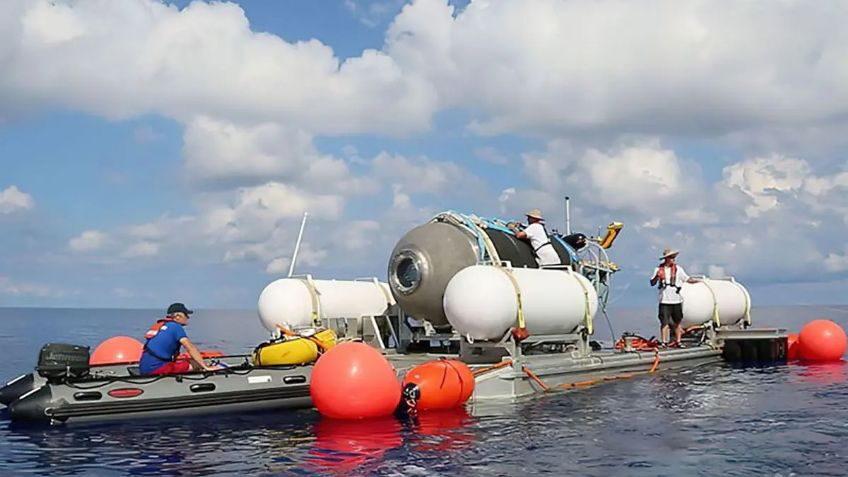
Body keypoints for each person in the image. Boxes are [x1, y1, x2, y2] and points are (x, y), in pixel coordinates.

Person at [139, 303, 218, 375]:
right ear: (177, 316)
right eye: (186, 315)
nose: (188, 317)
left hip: (144, 368)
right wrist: (205, 367)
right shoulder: (176, 327)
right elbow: (190, 348)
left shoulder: (162, 325)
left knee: (188, 362)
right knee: (196, 364)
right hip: (156, 369)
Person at [650, 249, 698, 346]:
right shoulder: (658, 269)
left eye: (674, 258)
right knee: (664, 322)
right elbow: (652, 282)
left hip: (676, 300)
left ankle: (678, 341)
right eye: (671, 258)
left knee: (677, 322)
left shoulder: (678, 269)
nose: (673, 260)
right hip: (664, 300)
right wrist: (657, 277)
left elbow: (687, 279)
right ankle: (664, 341)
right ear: (666, 259)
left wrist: (698, 282)